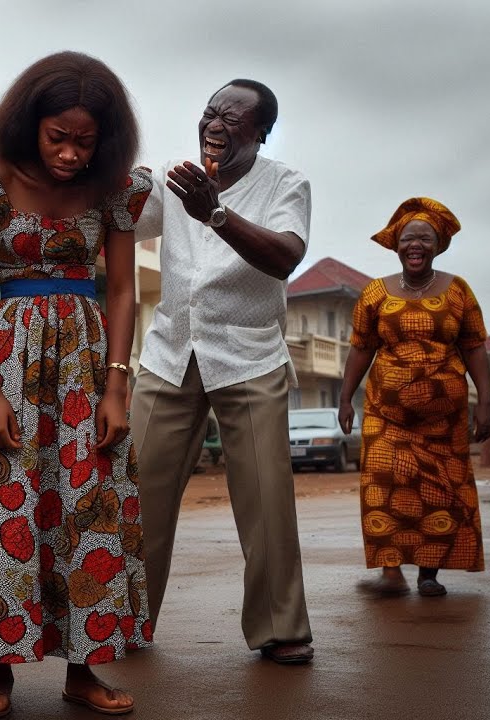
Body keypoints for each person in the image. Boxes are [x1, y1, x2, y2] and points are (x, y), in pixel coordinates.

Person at [0, 51, 153, 718]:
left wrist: (116, 387)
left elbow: (121, 290)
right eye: (58, 137)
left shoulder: (114, 189)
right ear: (31, 124)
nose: (70, 154)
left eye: (85, 142)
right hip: (10, 361)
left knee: (90, 510)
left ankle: (85, 670)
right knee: (4, 509)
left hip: (86, 364)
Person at [131, 79, 315, 665]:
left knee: (265, 497)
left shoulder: (286, 183)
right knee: (137, 494)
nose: (215, 122)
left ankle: (280, 628)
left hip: (249, 354)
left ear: (260, 131)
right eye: (210, 112)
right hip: (170, 352)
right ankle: (124, 618)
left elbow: (285, 256)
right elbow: (118, 218)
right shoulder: (174, 177)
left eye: (232, 116)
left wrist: (216, 213)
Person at [338, 197, 490, 598]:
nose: (416, 245)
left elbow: (475, 347)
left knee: (438, 491)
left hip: (445, 422)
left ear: (438, 245)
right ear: (396, 244)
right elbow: (360, 347)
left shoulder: (458, 292)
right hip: (385, 414)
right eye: (408, 238)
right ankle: (391, 572)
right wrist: (344, 399)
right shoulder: (375, 293)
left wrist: (486, 404)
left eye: (425, 238)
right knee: (384, 483)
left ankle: (428, 572)